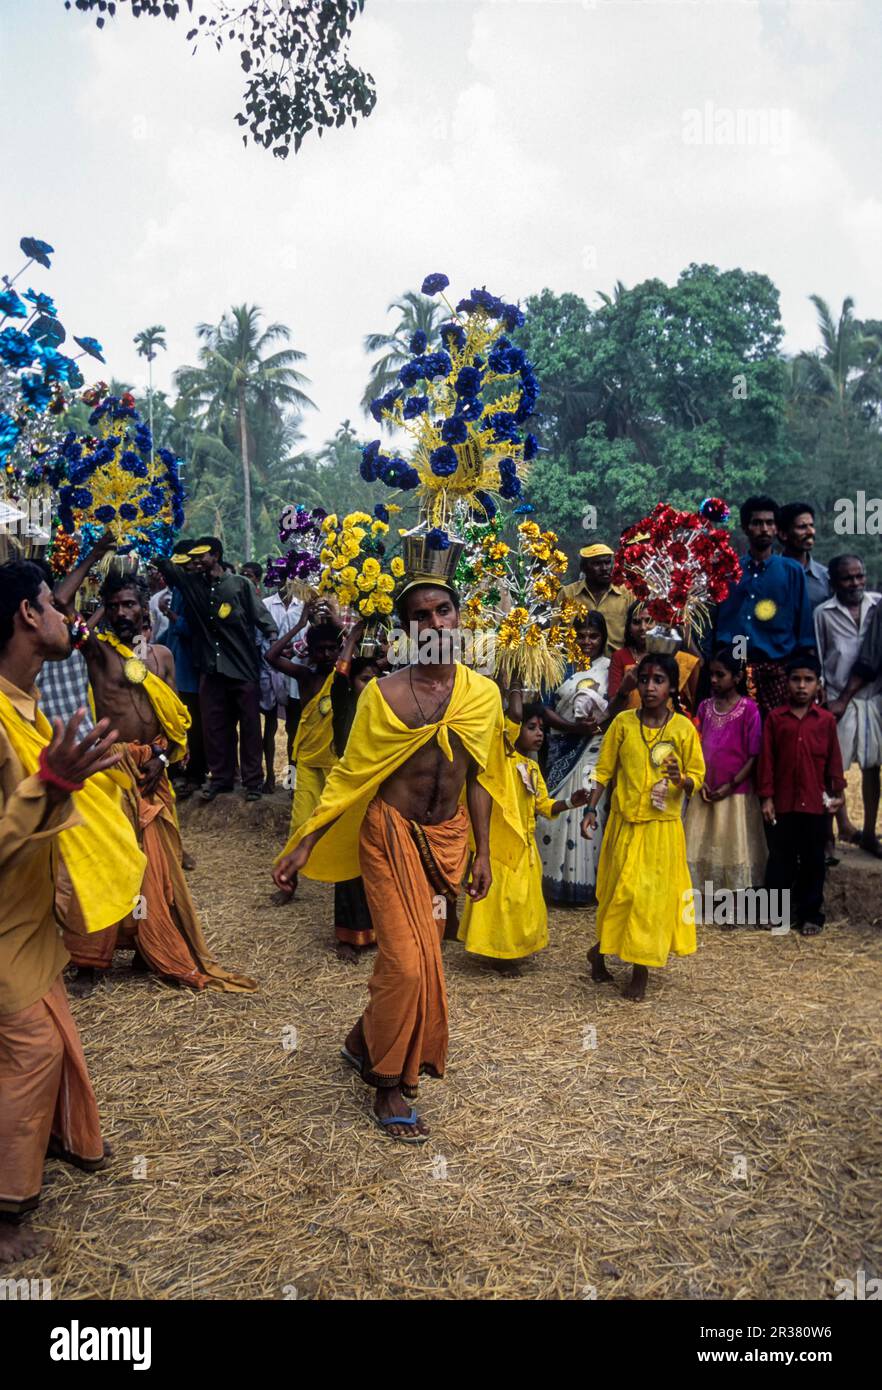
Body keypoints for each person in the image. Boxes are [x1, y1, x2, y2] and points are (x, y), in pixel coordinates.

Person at [272, 579, 521, 1143]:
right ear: (406, 630)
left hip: (447, 841)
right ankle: (387, 1080)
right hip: (388, 836)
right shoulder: (381, 695)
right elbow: (351, 775)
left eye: (444, 610)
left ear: (459, 618)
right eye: (421, 615)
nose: (435, 623)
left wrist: (482, 850)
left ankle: (362, 1041)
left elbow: (482, 776)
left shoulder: (482, 695)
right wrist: (306, 841)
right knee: (407, 964)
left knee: (421, 957)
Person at [0, 560, 145, 1262]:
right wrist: (50, 786)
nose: (67, 615)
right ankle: (7, 1210)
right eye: (54, 604)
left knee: (51, 1035)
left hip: (27, 923)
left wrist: (84, 779)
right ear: (29, 616)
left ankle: (59, 1141)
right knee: (34, 1049)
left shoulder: (24, 704)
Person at [59, 569, 256, 995]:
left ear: (144, 605)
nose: (121, 612)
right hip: (110, 768)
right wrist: (94, 555)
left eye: (129, 604)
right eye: (112, 606)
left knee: (155, 863)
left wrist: (163, 758)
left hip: (153, 769)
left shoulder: (162, 656)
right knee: (108, 859)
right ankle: (89, 962)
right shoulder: (96, 650)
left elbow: (176, 720)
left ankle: (150, 947)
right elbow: (60, 606)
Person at [582, 652, 705, 1002]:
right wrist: (591, 809)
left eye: (659, 680)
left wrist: (680, 779)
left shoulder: (682, 728)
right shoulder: (622, 723)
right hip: (624, 826)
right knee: (621, 895)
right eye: (645, 679)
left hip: (661, 830)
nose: (650, 687)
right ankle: (600, 952)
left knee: (648, 900)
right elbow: (602, 771)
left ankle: (640, 969)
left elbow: (698, 777)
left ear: (671, 687)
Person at [459, 689, 588, 971]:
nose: (539, 734)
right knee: (501, 902)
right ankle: (499, 953)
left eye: (541, 729)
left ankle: (512, 949)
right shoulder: (498, 759)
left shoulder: (531, 767)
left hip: (525, 849)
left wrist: (569, 802)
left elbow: (543, 804)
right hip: (498, 846)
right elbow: (514, 715)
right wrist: (516, 681)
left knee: (518, 903)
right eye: (531, 728)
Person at [153, 538, 278, 802]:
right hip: (210, 668)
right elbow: (170, 568)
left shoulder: (239, 585)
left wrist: (275, 640)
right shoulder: (192, 585)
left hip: (242, 666)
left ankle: (253, 781)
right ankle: (221, 778)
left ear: (217, 556)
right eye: (193, 558)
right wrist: (156, 549)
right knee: (214, 726)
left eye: (202, 556)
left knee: (250, 726)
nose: (196, 562)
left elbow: (262, 617)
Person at [758, 653, 845, 936]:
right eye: (796, 679)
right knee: (780, 860)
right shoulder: (775, 719)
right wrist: (767, 798)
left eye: (808, 680)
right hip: (783, 804)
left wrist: (837, 793)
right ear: (786, 683)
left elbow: (834, 759)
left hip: (814, 805)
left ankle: (810, 914)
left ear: (818, 685)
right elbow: (767, 761)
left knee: (812, 861)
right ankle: (776, 913)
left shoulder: (826, 721)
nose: (801, 686)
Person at [715, 496, 815, 718]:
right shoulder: (729, 571)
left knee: (778, 741)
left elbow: (804, 629)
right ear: (745, 527)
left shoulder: (791, 571)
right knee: (737, 741)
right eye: (757, 523)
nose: (764, 529)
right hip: (735, 670)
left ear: (777, 528)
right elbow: (723, 622)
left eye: (770, 523)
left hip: (777, 670)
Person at [685, 646, 766, 903]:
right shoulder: (704, 708)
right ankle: (703, 900)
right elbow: (695, 747)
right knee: (702, 843)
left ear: (738, 677)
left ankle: (732, 903)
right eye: (711, 674)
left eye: (720, 675)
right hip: (705, 790)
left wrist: (731, 785)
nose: (713, 680)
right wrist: (702, 781)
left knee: (732, 847)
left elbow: (753, 755)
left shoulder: (749, 709)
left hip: (735, 794)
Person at [540, 612, 610, 904]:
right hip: (562, 747)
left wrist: (592, 728)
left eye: (593, 636)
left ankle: (586, 887)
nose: (586, 642)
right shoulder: (557, 666)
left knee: (589, 807)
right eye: (580, 636)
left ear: (603, 638)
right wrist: (573, 728)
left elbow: (616, 705)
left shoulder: (609, 668)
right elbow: (544, 708)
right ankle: (552, 886)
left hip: (594, 749)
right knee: (558, 813)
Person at [266, 609, 342, 867]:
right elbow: (271, 656)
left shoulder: (346, 677)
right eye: (320, 649)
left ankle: (336, 868)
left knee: (339, 819)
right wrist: (299, 624)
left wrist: (337, 623)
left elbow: (369, 656)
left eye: (333, 648)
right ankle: (289, 877)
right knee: (300, 822)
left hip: (337, 764)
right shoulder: (306, 677)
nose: (327, 655)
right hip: (308, 762)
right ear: (309, 650)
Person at [329, 621, 382, 961]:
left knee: (377, 863)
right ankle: (348, 936)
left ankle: (377, 930)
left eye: (376, 679)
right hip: (349, 787)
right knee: (349, 865)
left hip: (377, 787)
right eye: (364, 679)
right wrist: (353, 635)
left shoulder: (384, 703)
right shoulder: (344, 697)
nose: (371, 685)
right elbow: (340, 673)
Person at [826, 585, 882, 859]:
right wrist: (834, 697)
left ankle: (869, 833)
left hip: (873, 698)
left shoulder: (876, 603)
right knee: (833, 766)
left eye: (860, 576)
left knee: (873, 765)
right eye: (847, 578)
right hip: (841, 696)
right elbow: (870, 660)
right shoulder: (823, 614)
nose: (855, 583)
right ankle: (837, 829)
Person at [160, 544, 206, 799]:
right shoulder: (176, 589)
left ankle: (195, 773)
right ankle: (177, 769)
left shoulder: (191, 591)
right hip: (175, 665)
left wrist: (170, 615)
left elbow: (189, 628)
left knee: (194, 724)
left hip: (189, 667)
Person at [607, 600, 701, 715]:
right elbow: (612, 708)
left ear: (659, 625)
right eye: (636, 622)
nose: (643, 627)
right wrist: (625, 689)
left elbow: (695, 702)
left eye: (649, 621)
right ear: (629, 628)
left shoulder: (677, 658)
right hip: (630, 725)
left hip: (670, 726)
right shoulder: (620, 656)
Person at [261, 579, 304, 782]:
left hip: (298, 677)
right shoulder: (267, 604)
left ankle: (293, 780)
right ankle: (271, 774)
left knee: (294, 732)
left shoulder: (303, 607)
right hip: (271, 671)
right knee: (270, 726)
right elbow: (271, 644)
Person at [559, 543, 630, 652]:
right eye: (597, 564)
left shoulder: (627, 593)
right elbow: (557, 634)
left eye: (607, 562)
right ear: (584, 568)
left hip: (616, 665)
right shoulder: (568, 594)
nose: (604, 568)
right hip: (577, 665)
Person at [777, 502, 831, 610]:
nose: (811, 531)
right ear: (783, 534)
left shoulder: (826, 578)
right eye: (802, 527)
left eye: (811, 525)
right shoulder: (769, 574)